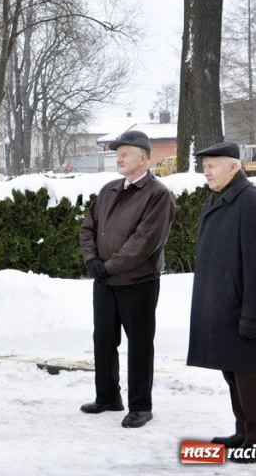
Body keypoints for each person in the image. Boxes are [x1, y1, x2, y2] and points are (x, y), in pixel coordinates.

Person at [188, 142, 256, 462]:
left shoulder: (253, 202)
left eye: (212, 165)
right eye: (204, 167)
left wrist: (254, 316)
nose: (206, 171)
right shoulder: (220, 199)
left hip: (245, 309)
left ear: (233, 167)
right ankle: (243, 432)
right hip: (224, 308)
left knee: (249, 375)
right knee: (233, 374)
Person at [78, 130, 176, 428]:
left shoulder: (157, 195)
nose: (118, 158)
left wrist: (109, 266)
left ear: (143, 158)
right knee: (104, 340)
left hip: (138, 282)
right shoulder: (108, 190)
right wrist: (92, 260)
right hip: (105, 281)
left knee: (140, 344)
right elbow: (87, 228)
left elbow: (144, 242)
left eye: (125, 153)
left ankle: (140, 406)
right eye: (117, 153)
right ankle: (108, 397)